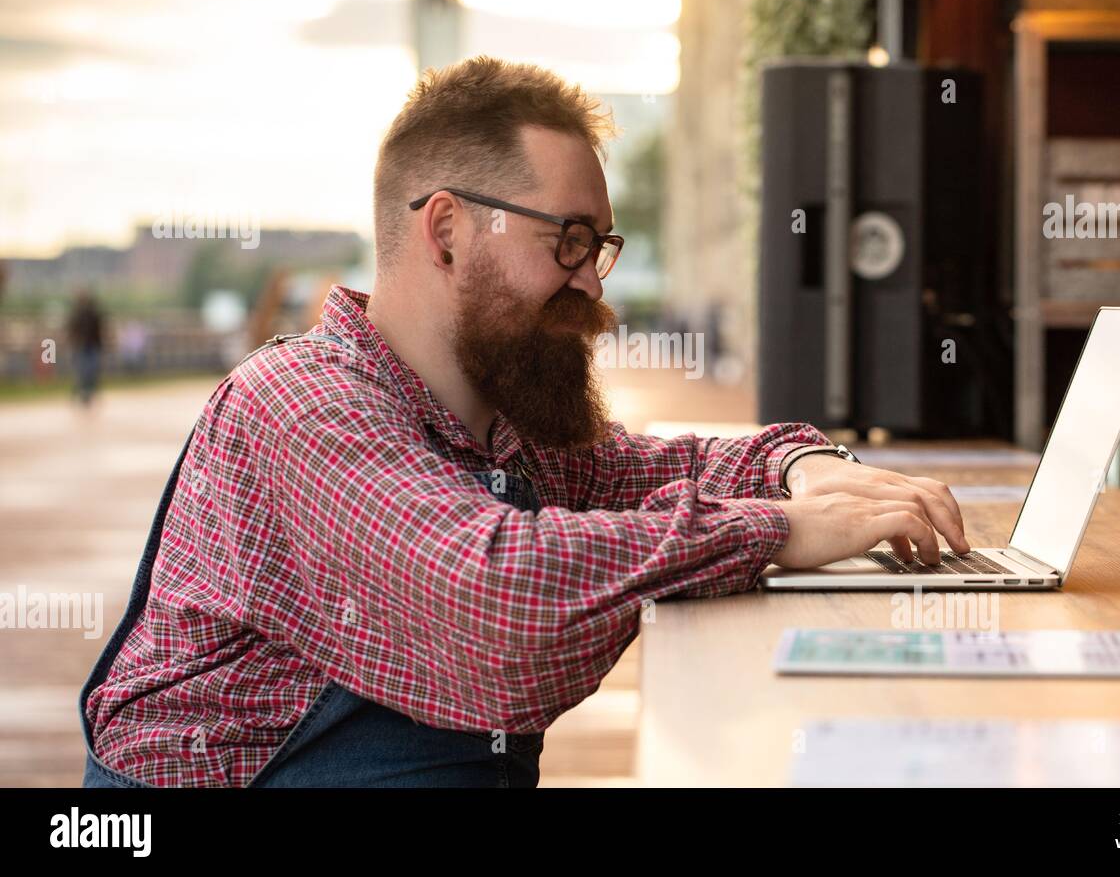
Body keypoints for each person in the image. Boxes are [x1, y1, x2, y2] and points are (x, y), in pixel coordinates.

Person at [79, 55, 968, 788]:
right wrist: (775, 530)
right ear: (448, 230)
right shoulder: (303, 404)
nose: (591, 282)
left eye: (601, 248)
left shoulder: (505, 424)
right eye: (569, 239)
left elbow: (662, 468)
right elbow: (497, 603)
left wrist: (801, 467)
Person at [66, 288, 105, 406]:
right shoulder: (76, 314)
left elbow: (99, 330)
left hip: (91, 346)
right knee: (84, 371)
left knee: (91, 371)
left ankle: (86, 394)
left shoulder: (92, 313)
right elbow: (71, 330)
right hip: (82, 346)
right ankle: (83, 394)